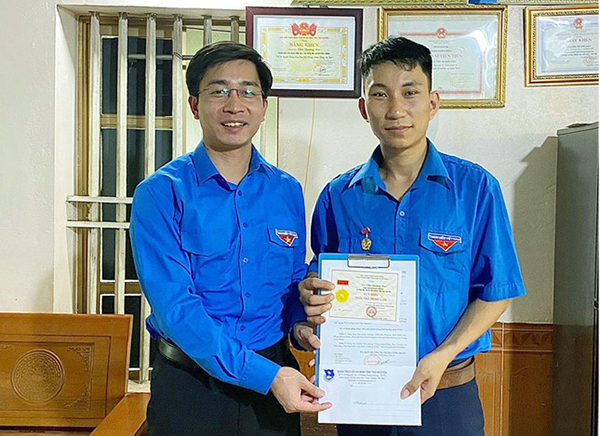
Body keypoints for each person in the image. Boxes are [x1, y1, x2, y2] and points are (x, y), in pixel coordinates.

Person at [296, 37, 526, 436]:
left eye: (410, 93)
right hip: (361, 391)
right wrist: (311, 294)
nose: (396, 109)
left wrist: (443, 355)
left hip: (447, 394)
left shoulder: (474, 189)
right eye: (380, 95)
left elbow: (498, 291)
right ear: (363, 108)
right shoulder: (339, 196)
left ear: (433, 103)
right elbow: (322, 276)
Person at [130, 41, 330, 436]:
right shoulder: (160, 193)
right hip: (191, 385)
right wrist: (265, 375)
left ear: (263, 107)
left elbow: (291, 281)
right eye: (219, 91)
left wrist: (298, 325)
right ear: (194, 104)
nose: (234, 105)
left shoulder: (286, 190)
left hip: (275, 384)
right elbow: (176, 309)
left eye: (247, 92)